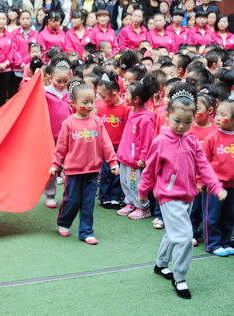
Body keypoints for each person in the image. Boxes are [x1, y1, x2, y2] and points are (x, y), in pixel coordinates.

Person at [138, 83, 227, 300]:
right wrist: (142, 191)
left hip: (187, 196)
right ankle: (180, 277)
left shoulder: (192, 140)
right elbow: (150, 169)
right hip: (168, 198)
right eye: (177, 121)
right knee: (185, 236)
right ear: (168, 115)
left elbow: (204, 165)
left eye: (188, 122)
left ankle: (160, 264)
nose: (182, 126)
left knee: (173, 233)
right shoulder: (160, 141)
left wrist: (215, 186)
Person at [50, 82, 119, 245]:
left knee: (88, 203)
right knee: (72, 200)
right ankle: (64, 222)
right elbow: (60, 147)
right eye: (84, 102)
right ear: (73, 103)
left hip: (93, 170)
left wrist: (113, 162)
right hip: (73, 171)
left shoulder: (97, 121)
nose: (89, 106)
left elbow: (106, 143)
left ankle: (86, 231)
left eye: (92, 102)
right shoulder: (68, 123)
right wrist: (55, 164)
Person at [116, 73, 158, 220]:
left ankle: (143, 207)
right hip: (126, 157)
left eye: (126, 94)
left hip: (136, 160)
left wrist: (143, 157)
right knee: (125, 182)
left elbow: (148, 140)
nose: (123, 96)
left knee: (135, 184)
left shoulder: (146, 118)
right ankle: (130, 203)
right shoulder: (132, 113)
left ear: (136, 99)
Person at [201, 95, 234, 257]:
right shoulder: (213, 137)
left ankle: (225, 242)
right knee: (212, 215)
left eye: (224, 115)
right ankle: (213, 243)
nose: (219, 118)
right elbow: (203, 161)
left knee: (229, 215)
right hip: (215, 185)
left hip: (232, 186)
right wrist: (200, 181)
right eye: (218, 114)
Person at [95, 72, 131, 209]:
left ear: (115, 94)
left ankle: (115, 197)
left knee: (118, 173)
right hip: (105, 147)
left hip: (120, 147)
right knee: (105, 172)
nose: (101, 99)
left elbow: (128, 129)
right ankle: (104, 197)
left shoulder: (126, 108)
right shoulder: (99, 106)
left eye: (104, 96)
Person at [188, 88, 217, 246]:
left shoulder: (215, 130)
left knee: (203, 207)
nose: (192, 111)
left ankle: (200, 231)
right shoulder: (188, 127)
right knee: (191, 206)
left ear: (210, 111)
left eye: (197, 109)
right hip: (189, 175)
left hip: (206, 177)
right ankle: (190, 231)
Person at [43, 60, 73, 208]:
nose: (62, 84)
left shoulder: (72, 94)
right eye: (58, 81)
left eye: (65, 81)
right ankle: (50, 195)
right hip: (49, 136)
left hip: (69, 137)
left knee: (71, 165)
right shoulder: (44, 92)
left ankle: (69, 194)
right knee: (51, 165)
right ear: (50, 78)